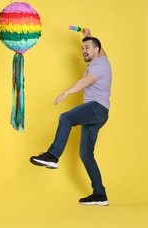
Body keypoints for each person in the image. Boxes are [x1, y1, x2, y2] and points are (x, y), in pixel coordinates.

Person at [30, 28, 112, 206]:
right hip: (99, 113)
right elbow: (100, 47)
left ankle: (52, 155)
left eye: (88, 48)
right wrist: (87, 36)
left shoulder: (100, 66)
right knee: (86, 154)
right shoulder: (103, 59)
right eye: (82, 48)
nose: (84, 51)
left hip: (96, 108)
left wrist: (66, 92)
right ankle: (100, 194)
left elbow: (85, 82)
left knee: (66, 118)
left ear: (97, 49)